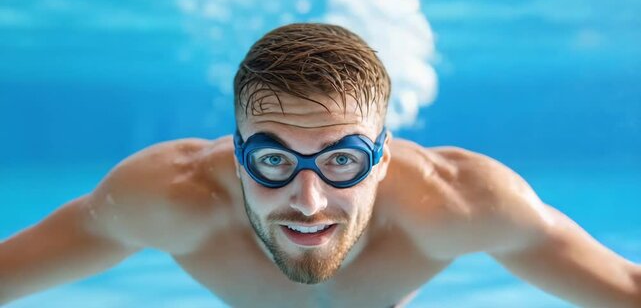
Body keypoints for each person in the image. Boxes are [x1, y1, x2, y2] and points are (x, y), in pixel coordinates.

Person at [1, 23, 639, 308]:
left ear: (383, 157)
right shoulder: (164, 197)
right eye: (272, 158)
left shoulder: (465, 203)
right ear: (236, 149)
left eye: (342, 160)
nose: (307, 199)